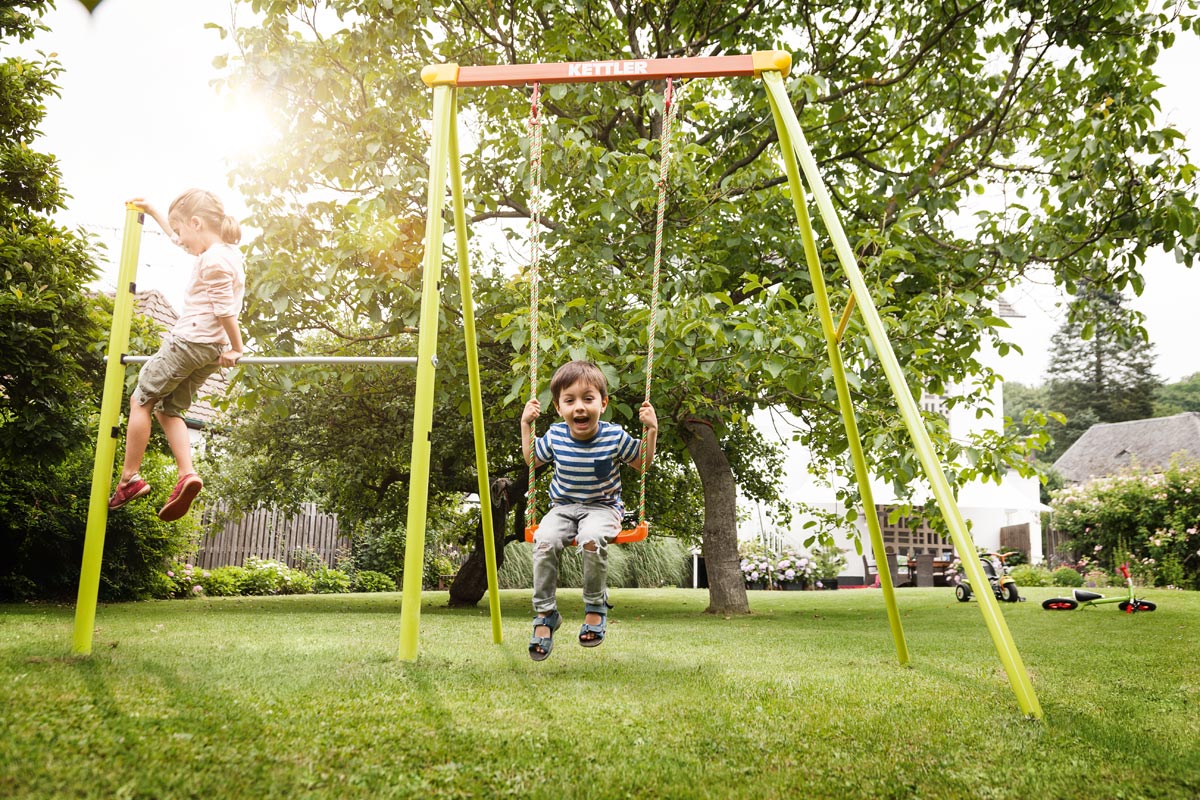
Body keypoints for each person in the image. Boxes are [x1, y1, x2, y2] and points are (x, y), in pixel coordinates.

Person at [107, 189, 245, 522]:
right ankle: (187, 474)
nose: (180, 241)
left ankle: (130, 478)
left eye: (182, 231)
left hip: (188, 342)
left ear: (196, 223)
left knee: (142, 400)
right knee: (172, 410)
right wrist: (154, 210)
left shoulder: (211, 260)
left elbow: (225, 309)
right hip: (208, 350)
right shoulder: (225, 253)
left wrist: (237, 347)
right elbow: (181, 240)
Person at [520, 360, 658, 661]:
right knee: (544, 542)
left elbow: (642, 463)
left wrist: (652, 430)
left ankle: (595, 605)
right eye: (569, 401)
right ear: (558, 408)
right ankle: (545, 615)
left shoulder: (614, 435)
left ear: (603, 403)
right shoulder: (556, 436)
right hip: (562, 508)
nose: (579, 407)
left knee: (591, 540)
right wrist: (526, 424)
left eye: (588, 399)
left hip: (603, 508)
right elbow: (533, 460)